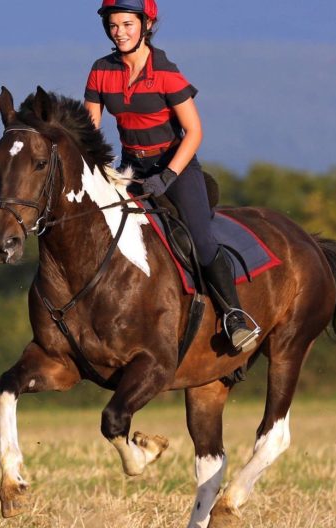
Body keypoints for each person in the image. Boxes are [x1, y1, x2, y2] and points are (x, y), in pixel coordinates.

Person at [83, 0, 258, 352]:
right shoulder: (101, 70)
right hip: (130, 167)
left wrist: (167, 177)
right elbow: (90, 131)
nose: (120, 33)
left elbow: (194, 132)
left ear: (146, 25)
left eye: (128, 25)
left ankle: (235, 316)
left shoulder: (166, 73)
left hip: (175, 167)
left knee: (201, 240)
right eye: (114, 26)